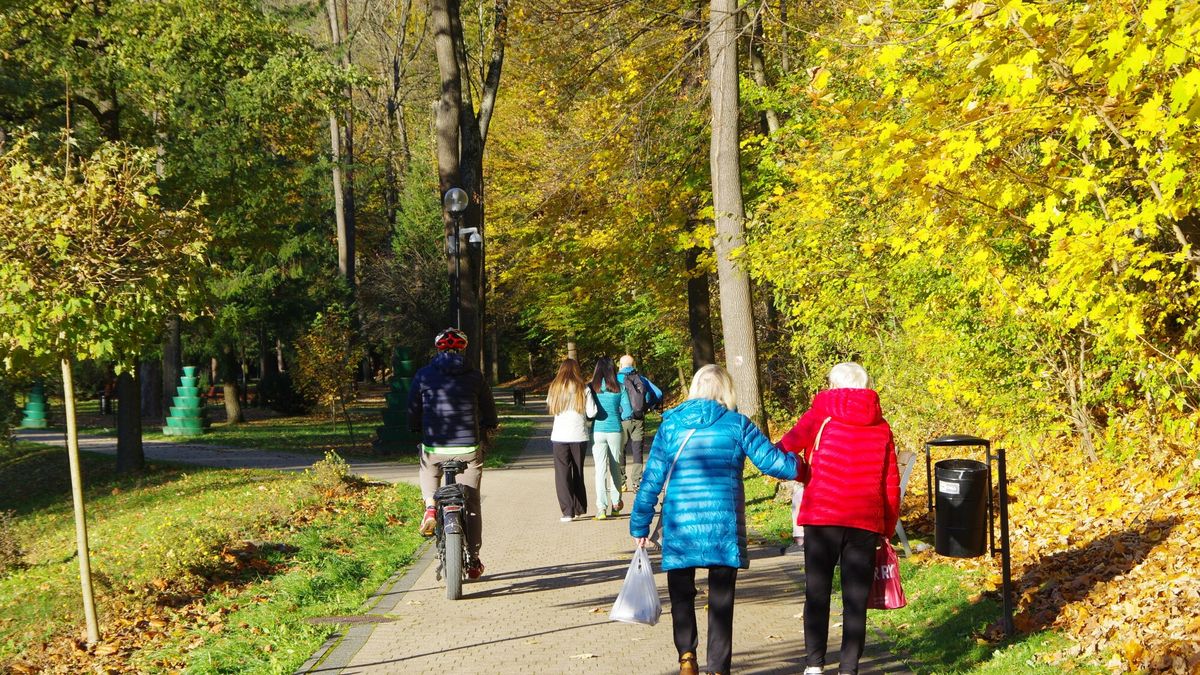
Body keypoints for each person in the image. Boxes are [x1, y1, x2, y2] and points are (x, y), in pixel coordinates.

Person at [630, 364, 800, 675]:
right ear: (726, 390)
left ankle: (686, 658)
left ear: (694, 389)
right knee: (722, 599)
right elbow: (776, 465)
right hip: (723, 526)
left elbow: (651, 480)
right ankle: (719, 668)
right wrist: (800, 464)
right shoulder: (737, 425)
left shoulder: (671, 426)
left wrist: (640, 525)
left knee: (681, 594)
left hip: (680, 526)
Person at [777, 362, 900, 675]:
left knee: (817, 594)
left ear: (833, 385)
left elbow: (784, 449)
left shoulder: (820, 414)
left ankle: (814, 665)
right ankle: (849, 668)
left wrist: (805, 473)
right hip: (864, 521)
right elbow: (890, 482)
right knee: (855, 599)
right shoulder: (881, 425)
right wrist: (885, 527)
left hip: (822, 516)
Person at [408, 327, 499, 580]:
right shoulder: (475, 376)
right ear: (463, 350)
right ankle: (473, 559)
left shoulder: (423, 375)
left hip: (435, 446)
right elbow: (488, 408)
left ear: (437, 350)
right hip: (468, 447)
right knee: (471, 502)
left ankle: (430, 507)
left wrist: (415, 426)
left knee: (427, 465)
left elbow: (413, 407)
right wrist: (489, 423)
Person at [546, 358, 595, 522]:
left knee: (562, 474)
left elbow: (550, 406)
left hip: (559, 436)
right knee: (578, 471)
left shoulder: (555, 388)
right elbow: (592, 412)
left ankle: (567, 511)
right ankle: (579, 506)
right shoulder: (584, 387)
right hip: (579, 435)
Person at [616, 354, 663, 492]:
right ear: (634, 365)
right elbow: (658, 393)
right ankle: (636, 482)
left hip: (622, 419)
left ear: (620, 365)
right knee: (637, 450)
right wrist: (647, 404)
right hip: (639, 419)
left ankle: (621, 482)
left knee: (621, 449)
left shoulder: (616, 379)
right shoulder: (641, 379)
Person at [589, 356, 625, 519]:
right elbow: (628, 410)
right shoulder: (620, 388)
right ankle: (616, 504)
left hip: (598, 431)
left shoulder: (591, 388)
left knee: (600, 470)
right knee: (615, 467)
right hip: (615, 430)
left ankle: (601, 508)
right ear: (613, 370)